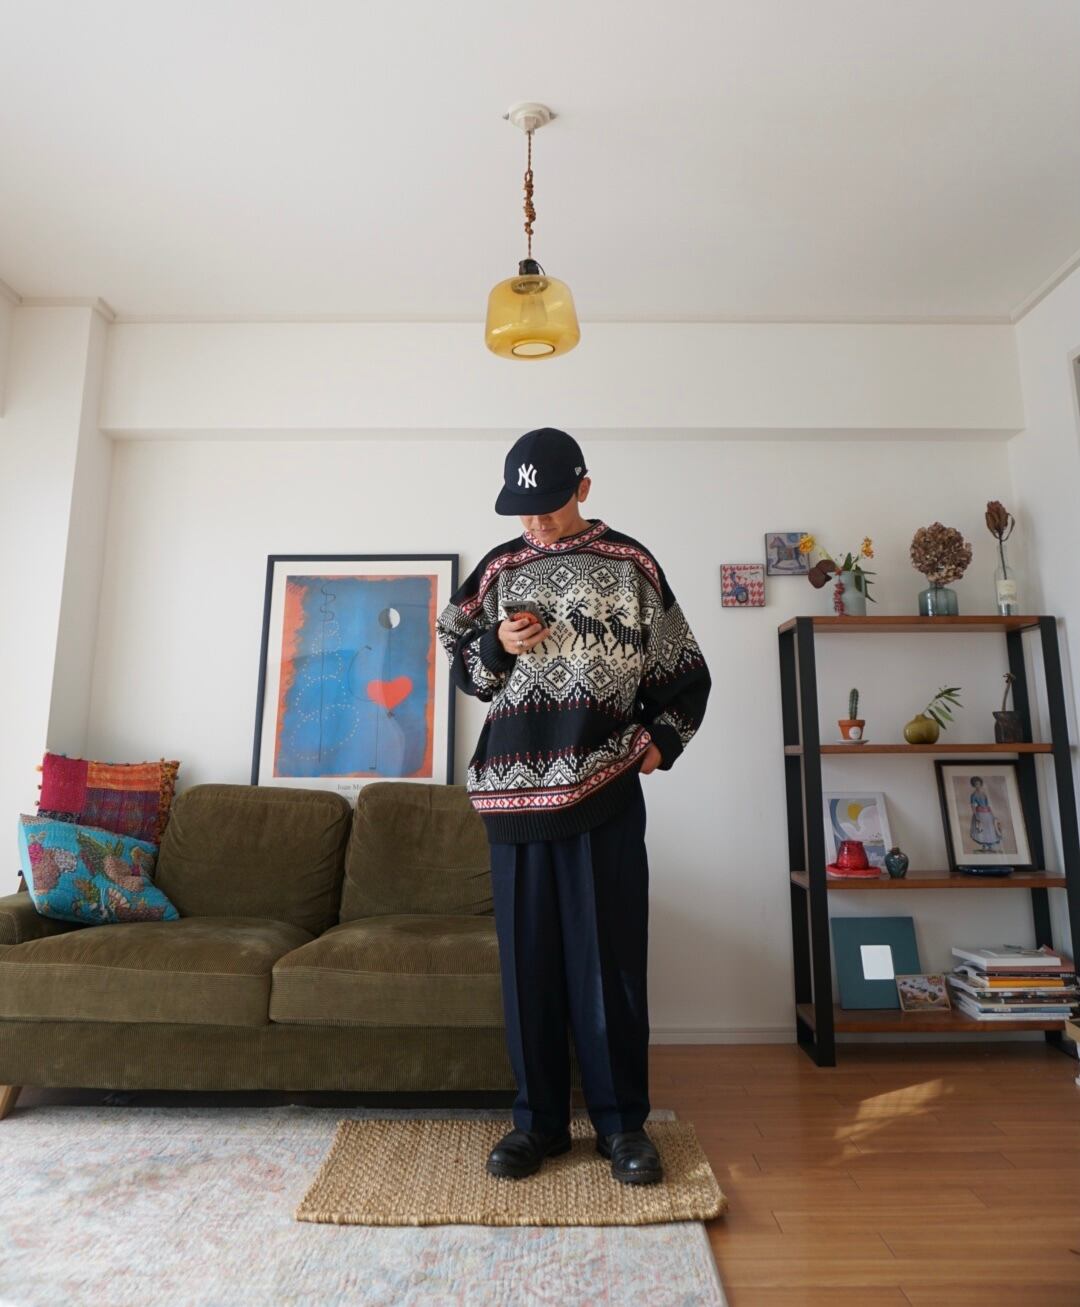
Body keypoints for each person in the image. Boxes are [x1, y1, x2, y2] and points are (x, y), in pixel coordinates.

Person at [435, 427, 711, 1185]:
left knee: (609, 968)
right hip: (512, 799)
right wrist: (496, 644)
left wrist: (662, 740)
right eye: (522, 509)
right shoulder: (499, 567)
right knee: (529, 971)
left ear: (583, 488)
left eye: (549, 505)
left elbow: (687, 672)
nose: (535, 521)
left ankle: (623, 1127)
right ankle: (538, 1125)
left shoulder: (631, 565)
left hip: (603, 792)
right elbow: (463, 664)